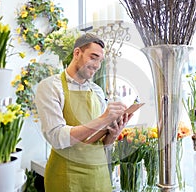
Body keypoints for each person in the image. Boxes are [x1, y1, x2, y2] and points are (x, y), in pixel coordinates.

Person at [35, 33, 133, 192]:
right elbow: (57, 137)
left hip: (99, 176)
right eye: (93, 57)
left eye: (100, 60)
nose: (97, 65)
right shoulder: (50, 87)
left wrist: (113, 134)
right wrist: (102, 119)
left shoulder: (97, 91)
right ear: (77, 53)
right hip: (66, 176)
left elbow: (101, 143)